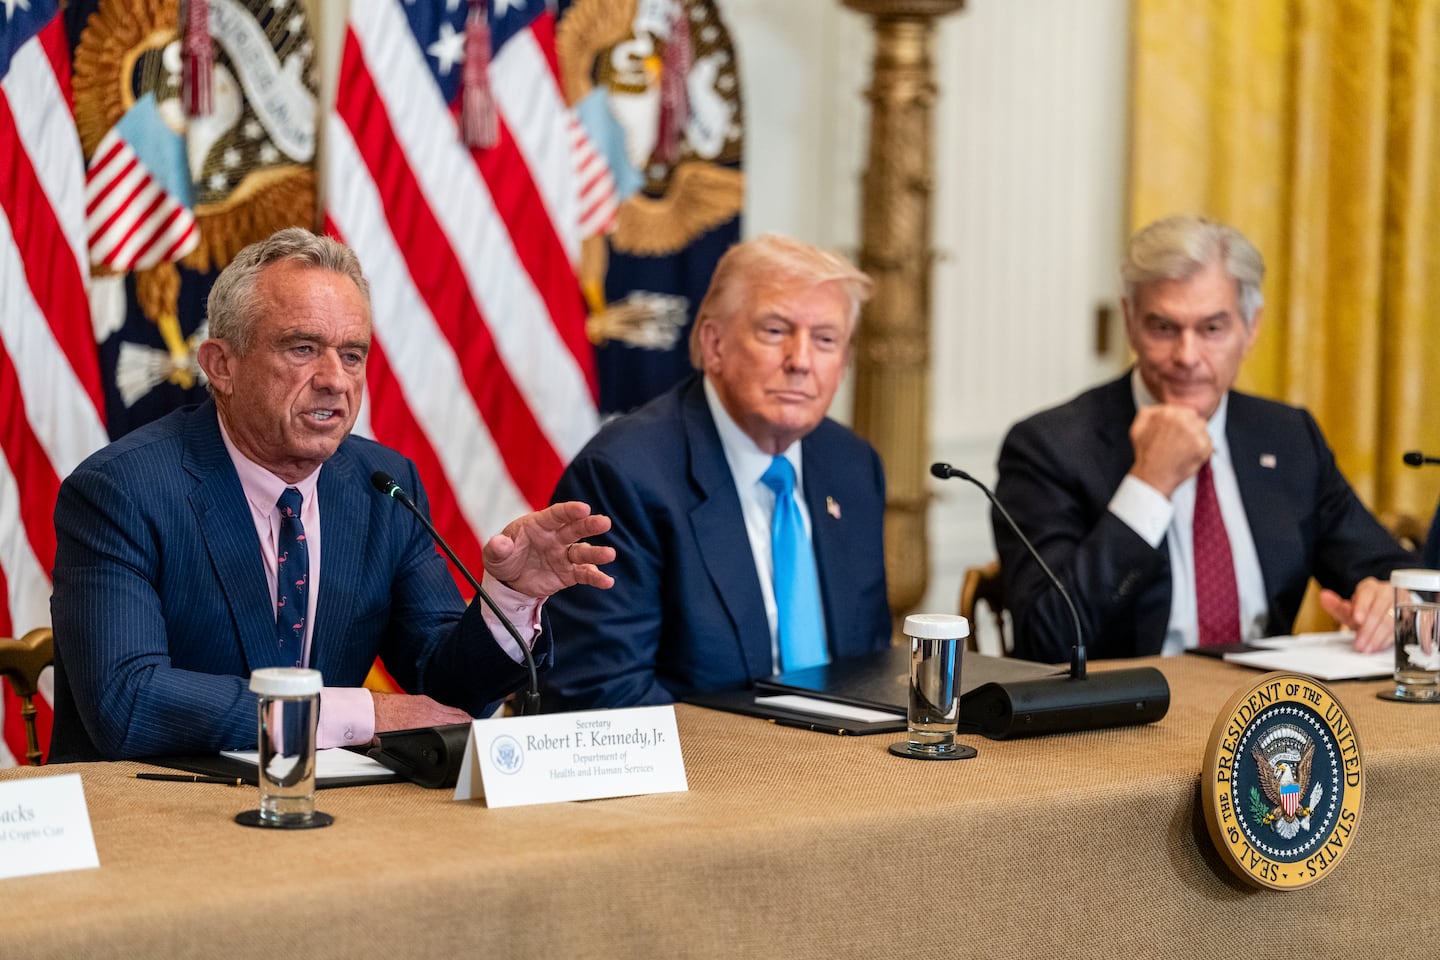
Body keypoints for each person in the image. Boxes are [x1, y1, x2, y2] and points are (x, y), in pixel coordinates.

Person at [49, 228, 615, 762]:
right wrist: (354, 714)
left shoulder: (383, 487)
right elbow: (127, 701)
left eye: (352, 354)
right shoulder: (121, 492)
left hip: (333, 824)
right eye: (302, 348)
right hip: (152, 822)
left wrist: (508, 601)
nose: (335, 380)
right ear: (221, 365)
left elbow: (443, 689)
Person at [993, 214, 1414, 663]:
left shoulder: (1288, 437)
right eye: (1164, 328)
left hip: (1264, 714)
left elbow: (1391, 574)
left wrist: (1386, 596)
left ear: (1250, 328)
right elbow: (1046, 638)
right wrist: (1149, 485)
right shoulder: (1049, 447)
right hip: (1117, 722)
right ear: (1130, 322)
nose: (1187, 356)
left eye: (1212, 329)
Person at [539, 234, 891, 709]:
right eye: (774, 330)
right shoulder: (626, 475)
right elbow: (604, 696)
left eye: (825, 340)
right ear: (714, 343)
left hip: (850, 767)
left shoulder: (851, 465)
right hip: (704, 774)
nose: (801, 361)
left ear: (844, 362)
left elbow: (866, 664)